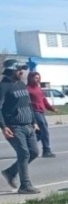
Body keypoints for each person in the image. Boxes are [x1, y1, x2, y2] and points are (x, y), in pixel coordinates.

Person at [0, 59, 40, 194]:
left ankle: (11, 172)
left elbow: (28, 104)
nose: (22, 72)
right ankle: (25, 185)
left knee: (34, 152)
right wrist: (4, 127)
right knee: (24, 153)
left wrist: (34, 121)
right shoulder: (4, 86)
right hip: (14, 126)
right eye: (19, 69)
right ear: (11, 70)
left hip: (28, 125)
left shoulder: (22, 84)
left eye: (22, 69)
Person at [25, 72, 58, 158]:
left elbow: (44, 100)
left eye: (38, 78)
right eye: (35, 78)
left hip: (41, 111)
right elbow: (25, 103)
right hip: (34, 112)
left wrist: (52, 109)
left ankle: (28, 145)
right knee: (44, 131)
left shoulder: (38, 88)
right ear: (30, 78)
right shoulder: (27, 89)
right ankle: (46, 150)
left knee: (40, 132)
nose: (37, 80)